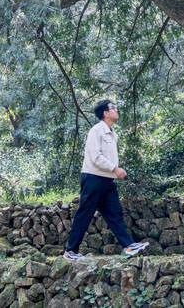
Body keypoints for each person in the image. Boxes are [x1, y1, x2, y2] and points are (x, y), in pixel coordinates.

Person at [63, 99, 149, 260]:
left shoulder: (112, 132)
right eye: (113, 108)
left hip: (107, 181)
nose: (116, 110)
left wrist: (114, 170)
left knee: (114, 213)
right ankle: (70, 251)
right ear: (105, 113)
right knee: (85, 214)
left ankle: (129, 246)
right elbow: (95, 157)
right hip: (93, 178)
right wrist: (115, 169)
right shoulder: (96, 131)